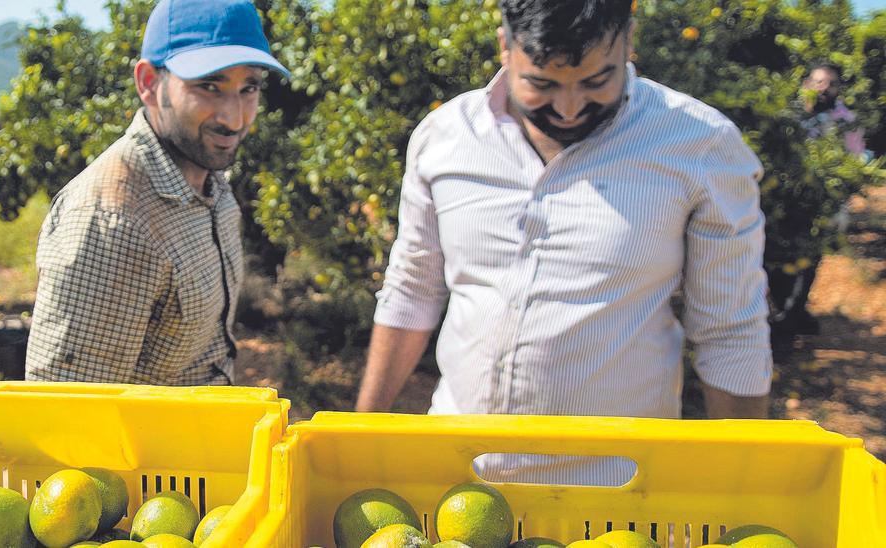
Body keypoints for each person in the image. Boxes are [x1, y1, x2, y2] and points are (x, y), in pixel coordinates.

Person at [355, 0, 772, 483]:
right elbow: (412, 291)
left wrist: (746, 483)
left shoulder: (700, 146)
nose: (569, 108)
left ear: (630, 41)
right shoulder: (445, 137)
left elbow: (730, 330)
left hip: (616, 489)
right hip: (457, 478)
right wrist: (361, 435)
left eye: (597, 81)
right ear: (506, 48)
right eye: (542, 84)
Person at [23, 0, 289, 385]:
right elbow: (69, 413)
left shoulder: (211, 183)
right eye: (209, 86)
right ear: (149, 83)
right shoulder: (114, 220)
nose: (235, 118)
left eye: (249, 88)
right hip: (152, 448)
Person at [770, 62, 870, 338]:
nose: (824, 89)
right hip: (782, 201)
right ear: (806, 85)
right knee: (776, 259)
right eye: (819, 82)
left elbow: (855, 161)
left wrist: (842, 202)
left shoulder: (846, 122)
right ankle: (793, 312)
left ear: (838, 89)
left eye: (831, 84)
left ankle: (790, 315)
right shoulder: (786, 117)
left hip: (820, 204)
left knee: (809, 258)